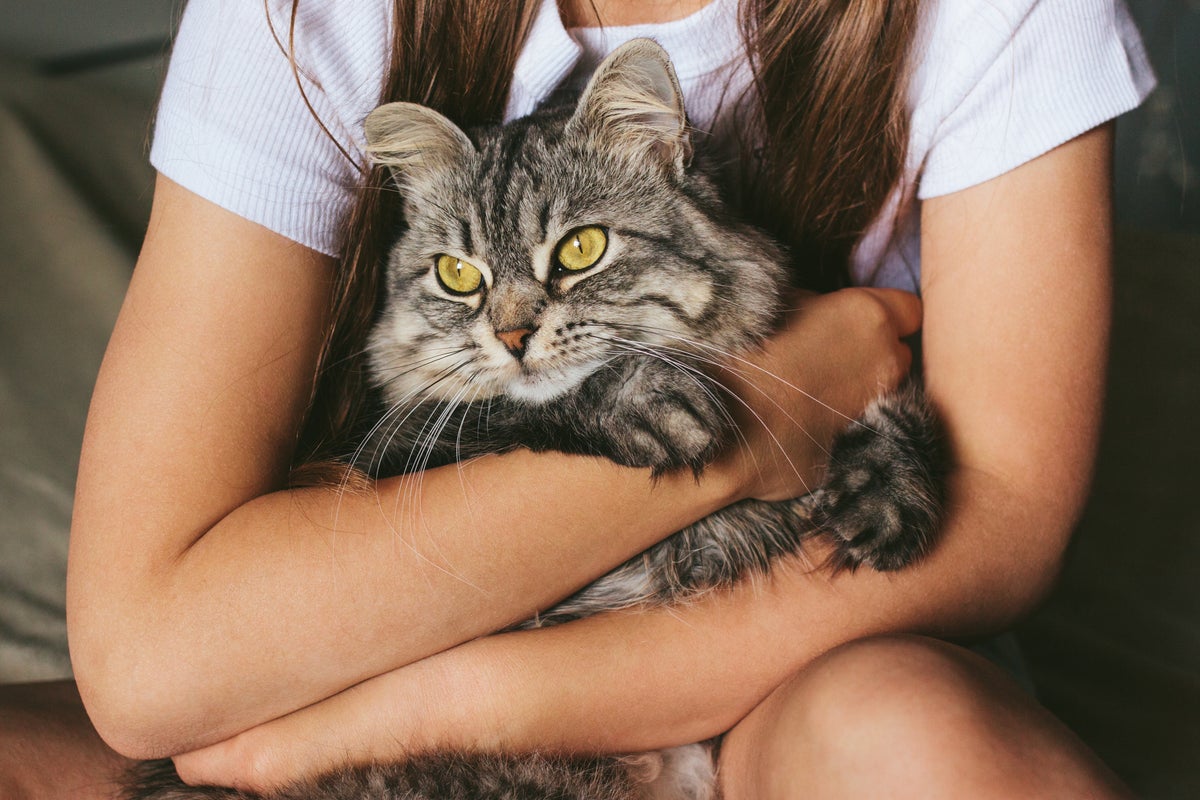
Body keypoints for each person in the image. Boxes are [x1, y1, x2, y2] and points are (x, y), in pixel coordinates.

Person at [1, 0, 1155, 797]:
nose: (510, 321)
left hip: (803, 654)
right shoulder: (308, 24)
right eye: (466, 280)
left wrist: (427, 704)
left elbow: (997, 521)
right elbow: (151, 665)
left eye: (567, 261)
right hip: (380, 643)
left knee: (917, 735)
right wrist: (768, 426)